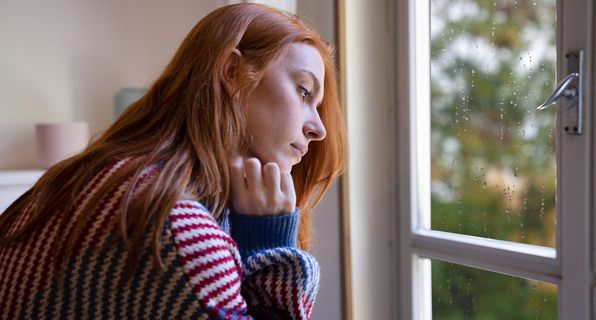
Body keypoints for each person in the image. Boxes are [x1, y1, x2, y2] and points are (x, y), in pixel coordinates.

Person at [0, 3, 347, 319]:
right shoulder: (177, 229)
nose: (319, 130)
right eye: (304, 91)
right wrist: (271, 248)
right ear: (231, 71)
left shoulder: (103, 177)